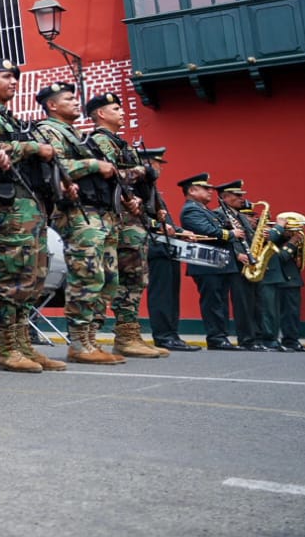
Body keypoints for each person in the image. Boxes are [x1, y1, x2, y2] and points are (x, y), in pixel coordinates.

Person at [83, 93, 168, 359]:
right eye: (115, 108)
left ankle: (128, 334)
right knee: (112, 276)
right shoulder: (99, 141)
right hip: (118, 216)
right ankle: (90, 339)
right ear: (100, 114)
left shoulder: (121, 143)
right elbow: (112, 176)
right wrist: (141, 172)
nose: (122, 113)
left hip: (133, 216)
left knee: (135, 277)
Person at [136, 148, 198, 351]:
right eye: (156, 163)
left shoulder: (151, 187)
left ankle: (172, 333)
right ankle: (163, 335)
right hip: (155, 246)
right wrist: (158, 227)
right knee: (161, 294)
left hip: (167, 247)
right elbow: (136, 216)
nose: (159, 167)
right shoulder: (137, 187)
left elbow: (166, 221)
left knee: (171, 293)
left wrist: (181, 231)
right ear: (145, 164)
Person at [177, 173, 242, 350]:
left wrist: (229, 224)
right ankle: (216, 337)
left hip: (218, 262)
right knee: (213, 301)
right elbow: (206, 230)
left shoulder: (203, 209)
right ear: (192, 190)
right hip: (206, 262)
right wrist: (230, 233)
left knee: (220, 300)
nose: (210, 192)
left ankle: (221, 336)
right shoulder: (191, 209)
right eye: (205, 188)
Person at [216, 183, 267, 350]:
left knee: (256, 302)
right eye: (236, 195)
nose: (241, 198)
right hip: (237, 265)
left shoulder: (241, 216)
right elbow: (225, 240)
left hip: (251, 263)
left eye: (241, 195)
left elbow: (249, 239)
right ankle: (247, 339)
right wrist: (237, 254)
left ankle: (258, 338)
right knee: (243, 304)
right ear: (224, 197)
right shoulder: (219, 214)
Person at [257, 213, 305, 351]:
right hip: (279, 278)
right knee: (273, 313)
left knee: (292, 313)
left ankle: (292, 340)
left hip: (292, 279)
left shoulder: (291, 238)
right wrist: (291, 244)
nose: (294, 232)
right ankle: (272, 339)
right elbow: (279, 257)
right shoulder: (272, 238)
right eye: (290, 229)